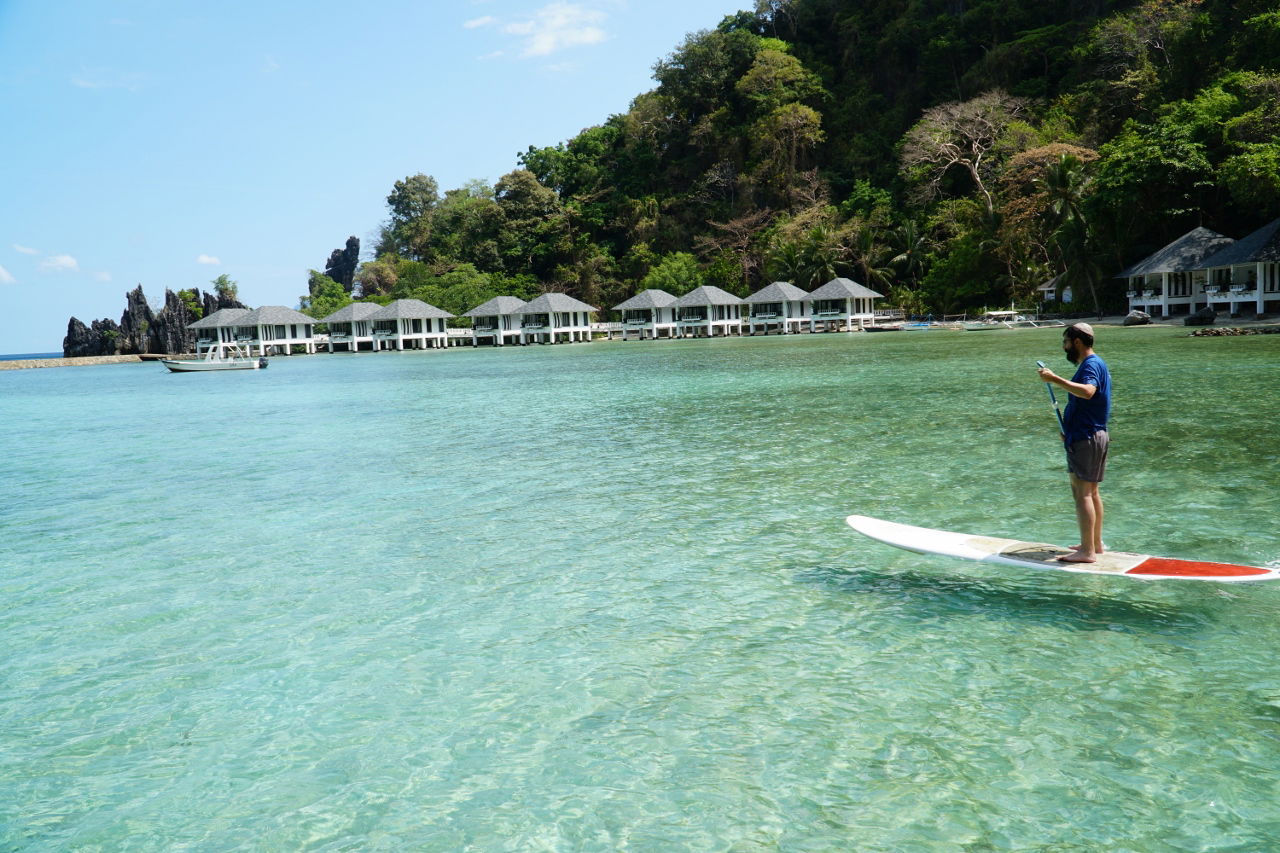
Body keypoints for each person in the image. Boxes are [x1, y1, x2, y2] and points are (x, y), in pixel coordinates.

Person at [1037, 322, 1111, 563]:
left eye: (1066, 342)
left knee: (1083, 495)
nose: (1064, 347)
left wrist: (1054, 379)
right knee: (1091, 492)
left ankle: (1087, 552)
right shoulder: (1096, 363)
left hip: (1087, 437)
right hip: (1089, 434)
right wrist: (1069, 429)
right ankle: (1094, 543)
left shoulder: (1090, 365)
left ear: (1077, 342)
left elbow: (1088, 392)